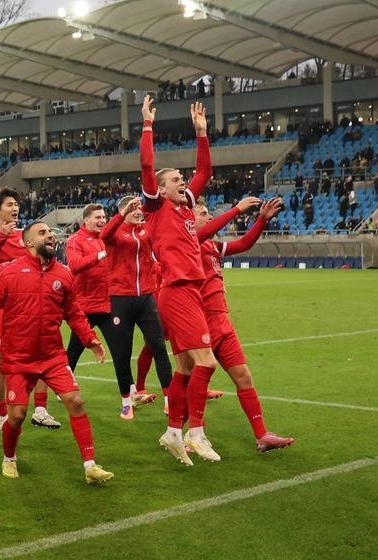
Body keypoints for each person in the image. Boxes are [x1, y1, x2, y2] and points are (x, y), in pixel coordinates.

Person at [0, 222, 114, 483]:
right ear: (28, 243)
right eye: (43, 233)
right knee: (17, 415)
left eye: (51, 233)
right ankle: (9, 458)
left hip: (52, 356)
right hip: (18, 358)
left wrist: (90, 339)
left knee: (76, 402)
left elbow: (74, 313)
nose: (51, 236)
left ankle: (90, 465)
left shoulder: (64, 274)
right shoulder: (10, 272)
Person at [138, 95, 220, 466]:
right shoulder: (155, 207)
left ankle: (173, 432)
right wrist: (148, 126)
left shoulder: (186, 206)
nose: (182, 181)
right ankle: (196, 433)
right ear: (161, 188)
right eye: (174, 179)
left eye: (180, 178)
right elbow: (146, 164)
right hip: (175, 290)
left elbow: (204, 171)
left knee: (188, 369)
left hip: (189, 290)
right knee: (207, 364)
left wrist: (201, 133)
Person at [192, 197, 296, 452]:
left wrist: (261, 220)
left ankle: (262, 435)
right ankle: (190, 433)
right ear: (189, 220)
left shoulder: (213, 247)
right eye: (203, 213)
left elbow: (244, 243)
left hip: (222, 322)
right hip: (200, 322)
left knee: (243, 376)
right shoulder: (188, 244)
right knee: (193, 379)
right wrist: (235, 210)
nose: (208, 216)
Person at [0, 188, 57, 430]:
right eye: (10, 204)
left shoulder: (27, 236)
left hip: (29, 303)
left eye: (16, 204)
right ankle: (1, 412)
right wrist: (2, 236)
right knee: (1, 361)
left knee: (43, 355)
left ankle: (41, 409)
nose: (15, 208)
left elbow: (44, 261)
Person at [102, 196, 175, 414]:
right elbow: (105, 234)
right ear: (122, 210)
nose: (137, 212)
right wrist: (122, 215)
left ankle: (170, 401)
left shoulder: (146, 231)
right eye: (132, 209)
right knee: (122, 353)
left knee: (159, 347)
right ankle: (126, 401)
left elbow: (161, 229)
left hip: (145, 297)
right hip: (120, 298)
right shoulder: (115, 233)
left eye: (138, 209)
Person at [63, 205, 128, 417]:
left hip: (107, 304)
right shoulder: (75, 240)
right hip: (84, 306)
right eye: (98, 217)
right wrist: (101, 254)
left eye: (104, 217)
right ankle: (62, 385)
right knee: (74, 351)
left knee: (120, 350)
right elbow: (74, 265)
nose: (102, 220)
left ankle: (128, 395)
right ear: (87, 220)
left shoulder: (107, 237)